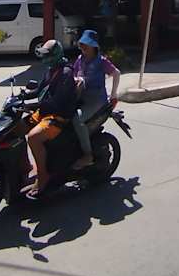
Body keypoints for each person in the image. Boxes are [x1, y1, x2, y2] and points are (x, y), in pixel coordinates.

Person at [23, 40, 77, 197]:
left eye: (47, 55)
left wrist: (33, 106)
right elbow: (40, 90)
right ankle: (25, 167)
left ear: (55, 55)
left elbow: (57, 102)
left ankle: (43, 175)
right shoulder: (50, 70)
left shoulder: (66, 73)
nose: (44, 58)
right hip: (45, 111)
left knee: (33, 138)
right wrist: (22, 96)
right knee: (16, 128)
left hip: (58, 116)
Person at [70, 30, 121, 170]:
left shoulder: (101, 61)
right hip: (82, 98)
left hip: (97, 101)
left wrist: (114, 95)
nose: (83, 47)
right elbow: (72, 76)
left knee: (77, 120)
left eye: (86, 44)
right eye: (82, 44)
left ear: (94, 46)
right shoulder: (80, 60)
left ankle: (88, 155)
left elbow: (116, 73)